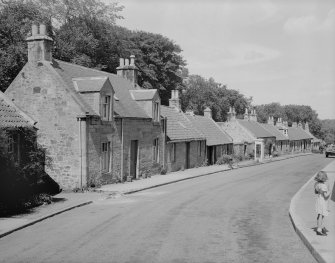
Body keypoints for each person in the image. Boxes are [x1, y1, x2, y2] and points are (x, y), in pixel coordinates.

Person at [314, 171, 330, 236]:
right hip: (322, 201)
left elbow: (315, 192)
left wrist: (320, 191)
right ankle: (319, 229)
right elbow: (326, 196)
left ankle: (321, 227)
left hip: (319, 200)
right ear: (324, 178)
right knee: (321, 215)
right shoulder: (323, 186)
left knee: (319, 215)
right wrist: (329, 191)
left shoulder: (316, 184)